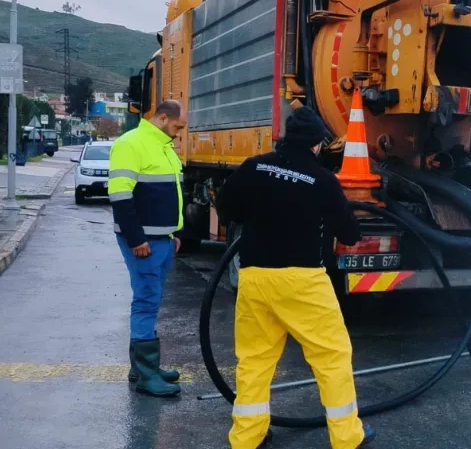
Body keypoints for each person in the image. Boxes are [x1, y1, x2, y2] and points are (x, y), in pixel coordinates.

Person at [216, 106, 376, 449]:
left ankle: (248, 436)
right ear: (317, 145)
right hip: (303, 282)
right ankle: (348, 438)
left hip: (255, 277)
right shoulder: (322, 180)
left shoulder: (254, 166)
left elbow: (227, 207)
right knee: (331, 357)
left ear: (286, 137)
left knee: (255, 359)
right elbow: (348, 235)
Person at [108, 100, 187, 397]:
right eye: (177, 126)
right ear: (163, 118)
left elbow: (171, 193)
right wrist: (136, 238)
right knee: (146, 300)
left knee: (149, 298)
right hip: (144, 241)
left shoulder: (163, 145)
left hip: (161, 238)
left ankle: (142, 368)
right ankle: (146, 375)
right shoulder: (131, 144)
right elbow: (120, 195)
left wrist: (175, 233)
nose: (179, 133)